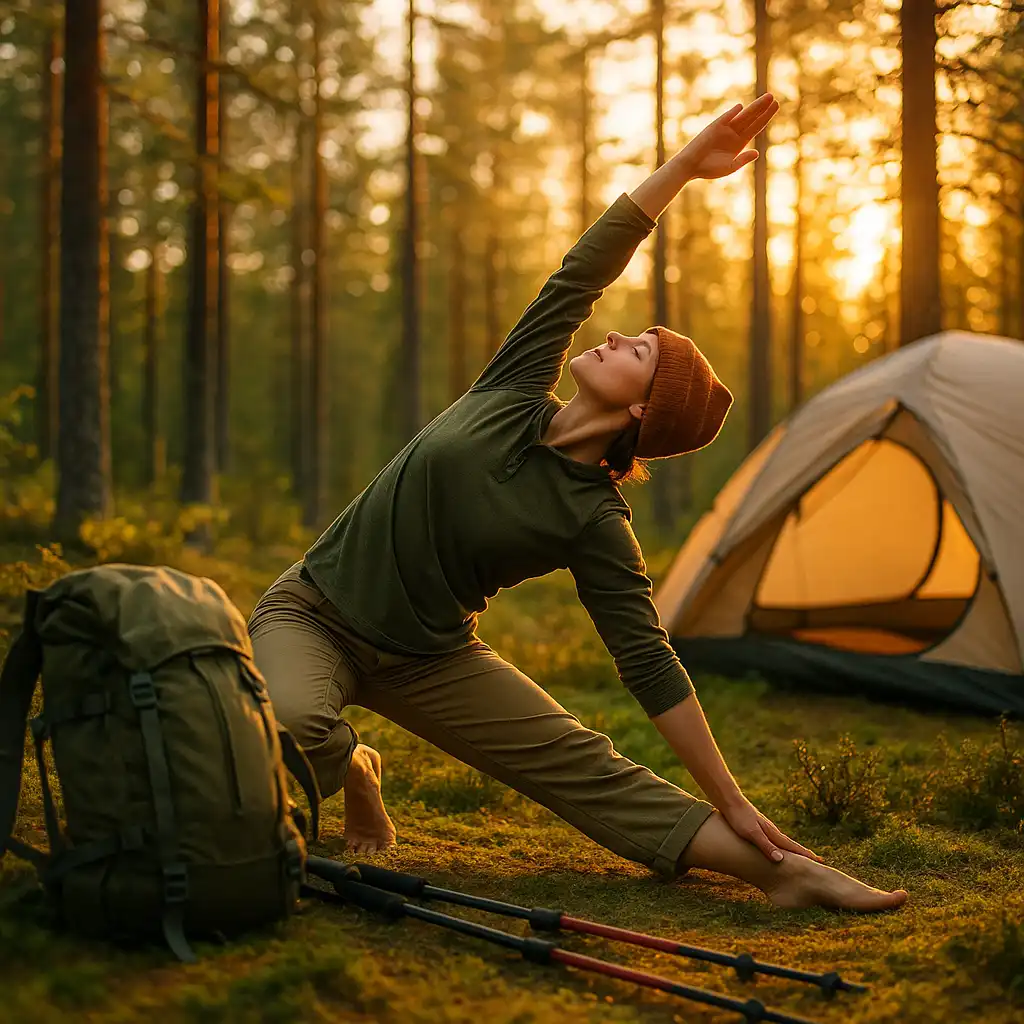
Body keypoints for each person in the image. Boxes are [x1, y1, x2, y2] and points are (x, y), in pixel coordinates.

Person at [248, 93, 907, 912]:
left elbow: (648, 662)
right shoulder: (513, 387)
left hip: (430, 655)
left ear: (643, 411)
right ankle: (353, 765)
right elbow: (581, 271)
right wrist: (683, 170)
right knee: (293, 726)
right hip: (312, 612)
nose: (618, 335)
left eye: (640, 351)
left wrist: (734, 800)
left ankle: (782, 874)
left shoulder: (595, 519)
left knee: (587, 767)